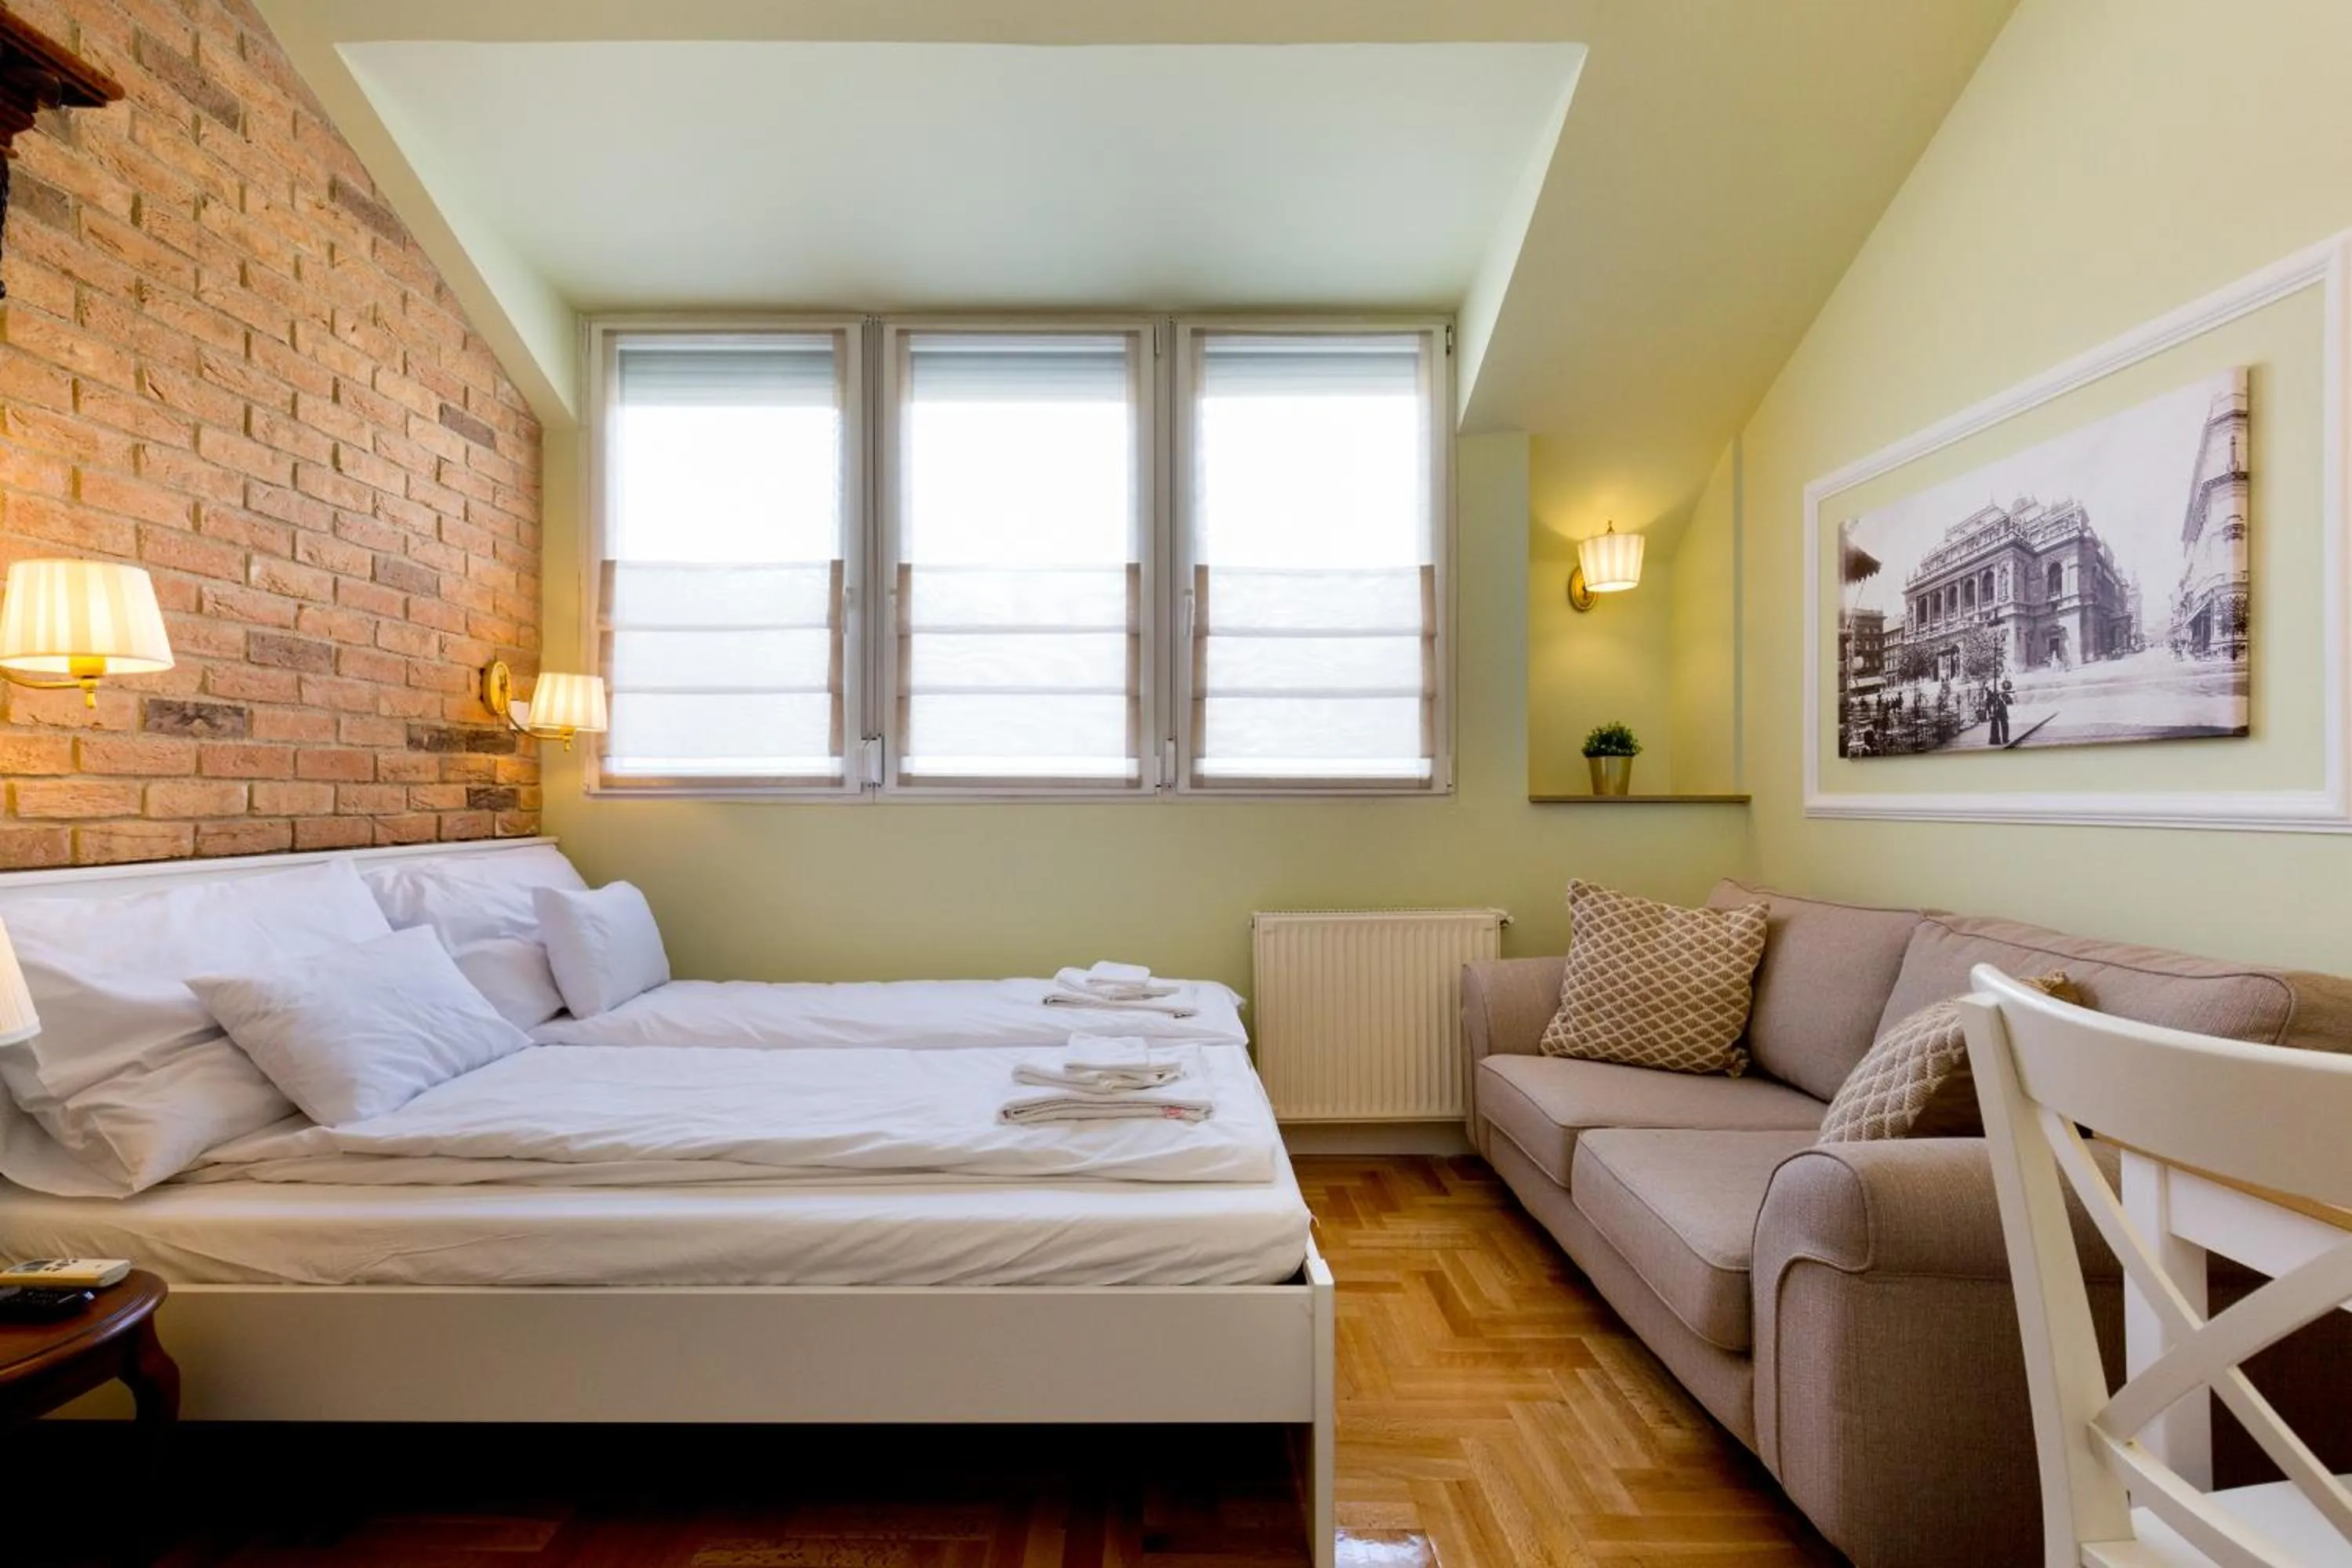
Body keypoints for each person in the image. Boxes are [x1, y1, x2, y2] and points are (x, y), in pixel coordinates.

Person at [1987, 677, 2013, 746]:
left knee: (2005, 726)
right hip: (2000, 715)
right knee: (2004, 726)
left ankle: (2005, 739)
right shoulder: (1997, 701)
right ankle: (2003, 739)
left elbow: (2009, 703)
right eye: (1998, 694)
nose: (1999, 694)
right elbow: (1995, 708)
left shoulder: (2001, 699)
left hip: (2003, 715)